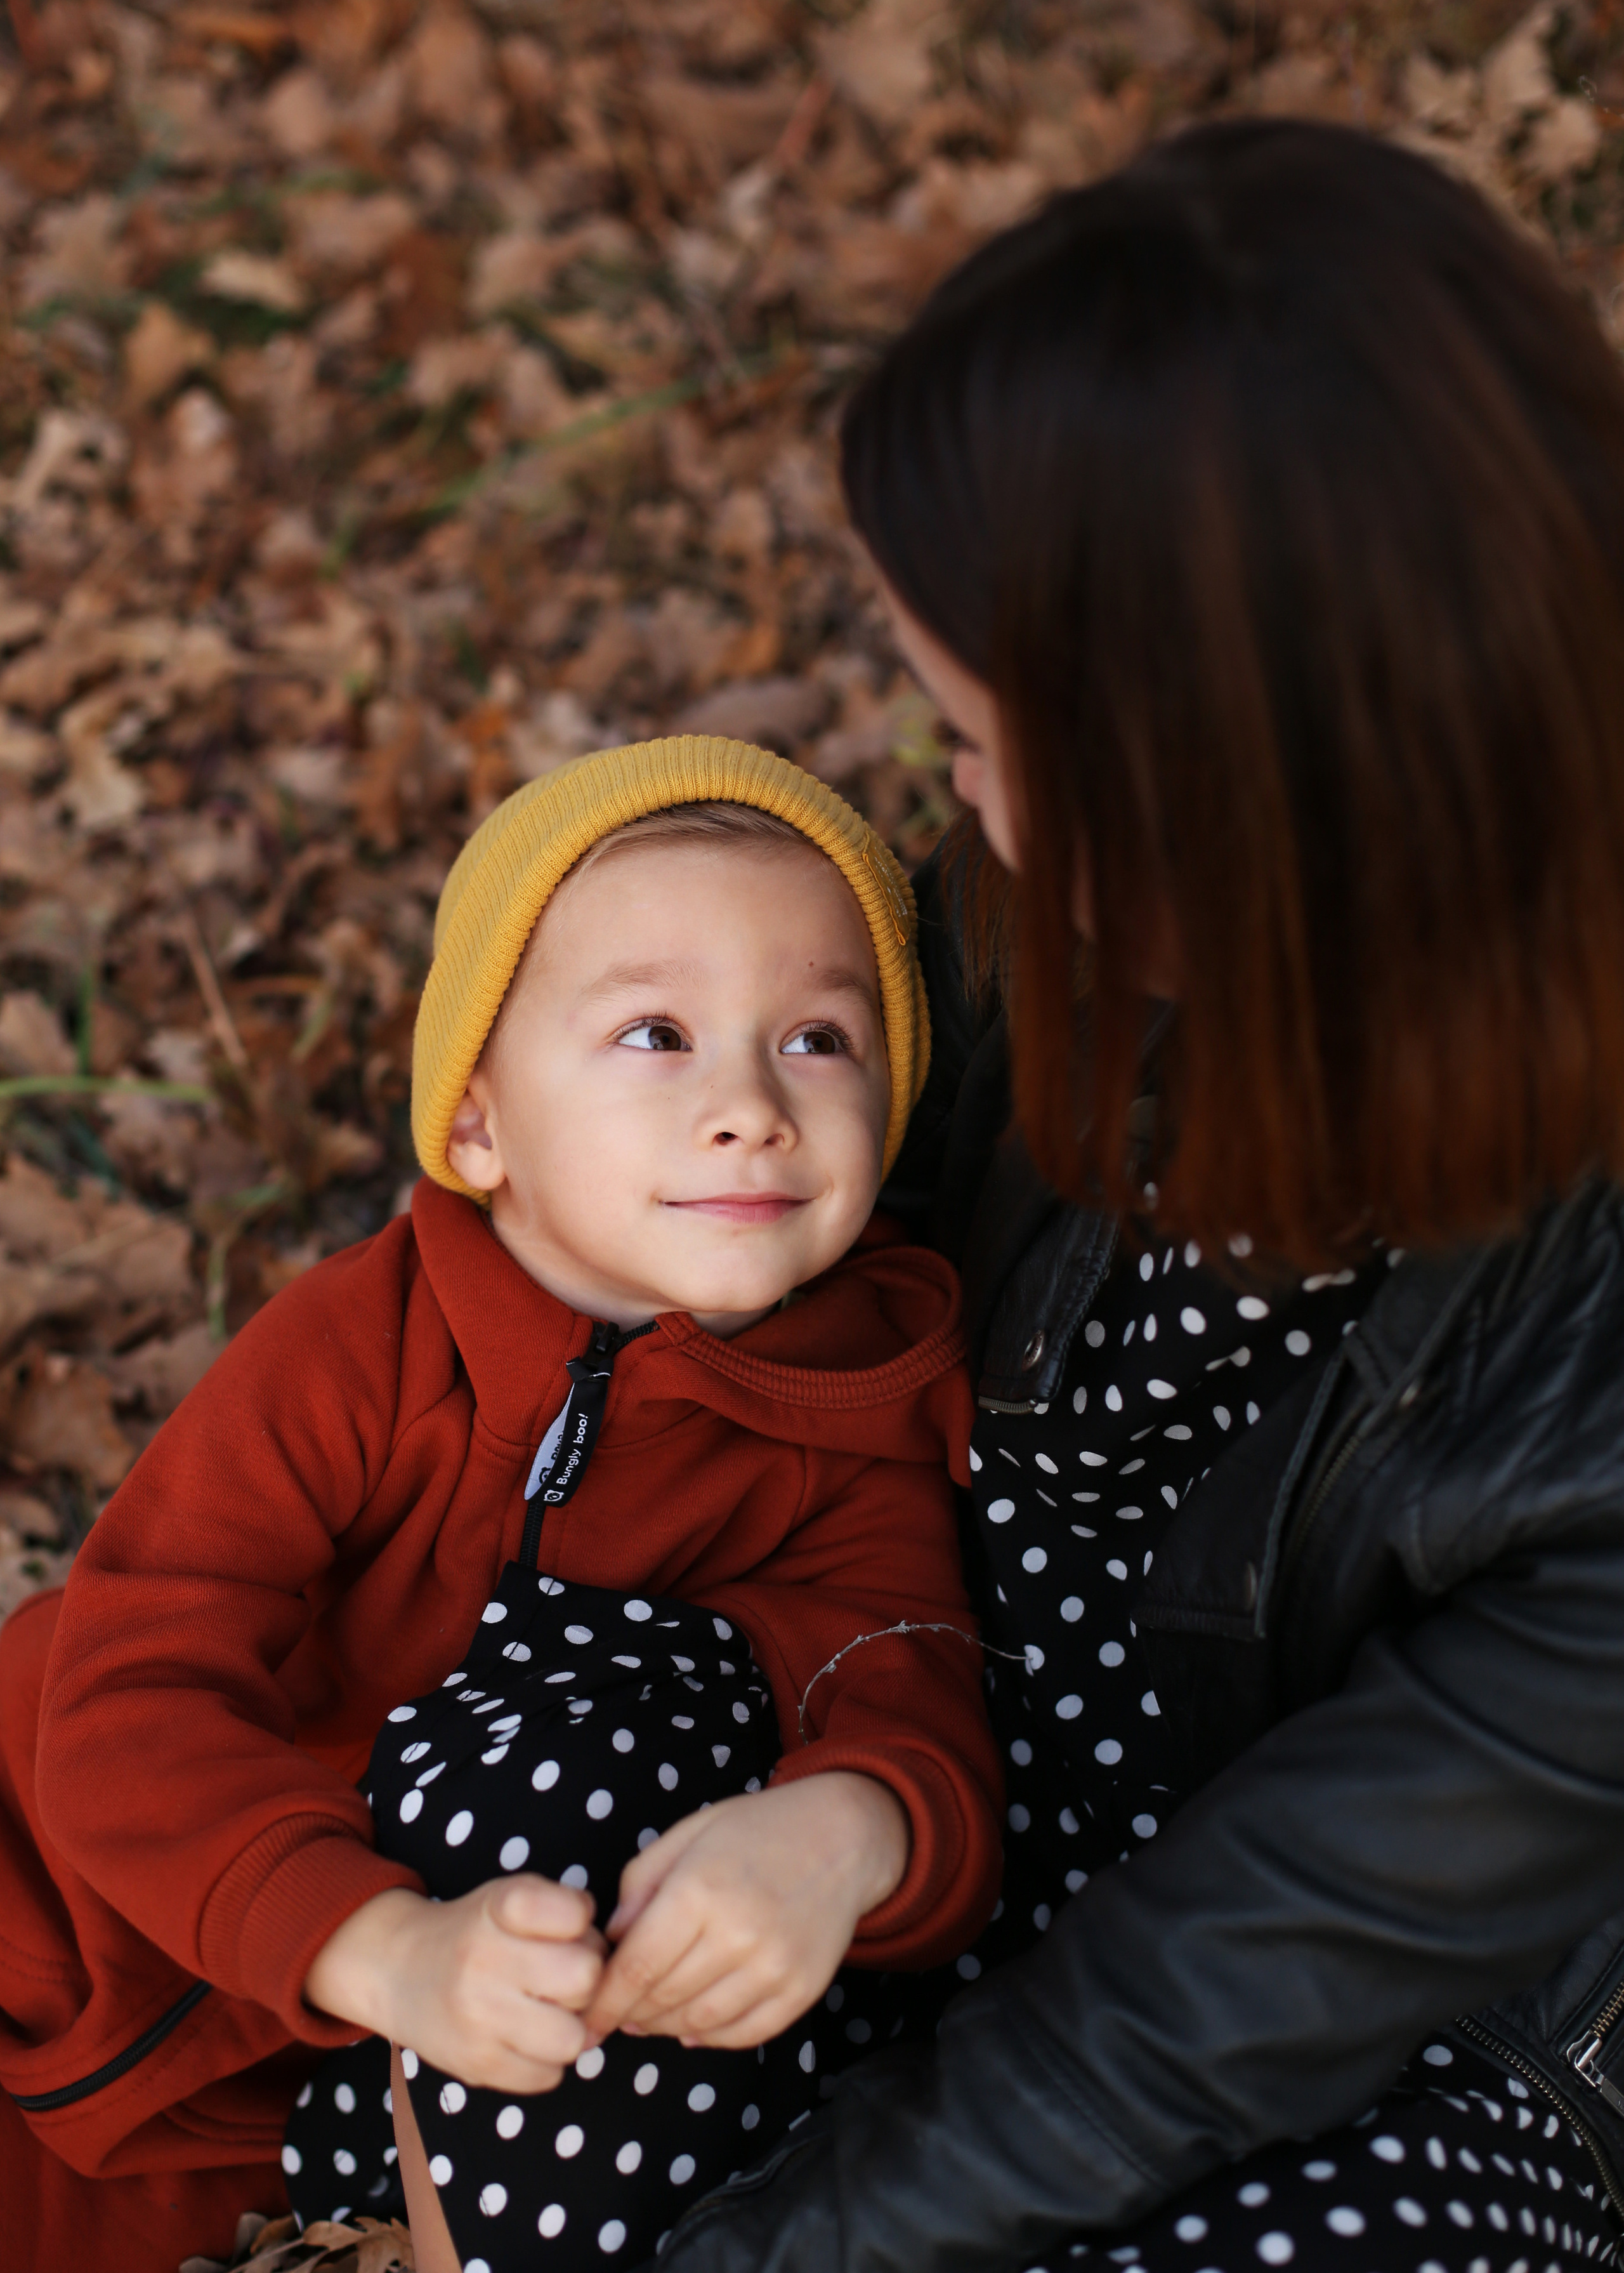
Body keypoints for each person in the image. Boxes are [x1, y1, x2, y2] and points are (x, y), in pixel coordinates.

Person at [637, 119, 1624, 2273]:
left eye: (989, 747)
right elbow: (668, 1264)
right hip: (931, 1716)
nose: (951, 805)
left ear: (1231, 804)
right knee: (535, 1801)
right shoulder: (1068, 923)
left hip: (1378, 2005)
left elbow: (1195, 2018)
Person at [0, 739, 1003, 2273]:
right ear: (479, 1127)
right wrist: (374, 1945)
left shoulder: (853, 1407)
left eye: (817, 1038)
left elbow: (902, 1690)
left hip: (309, 2073)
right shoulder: (363, 1349)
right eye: (656, 1032)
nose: (747, 1103)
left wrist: (846, 1833)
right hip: (91, 1909)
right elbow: (132, 1686)